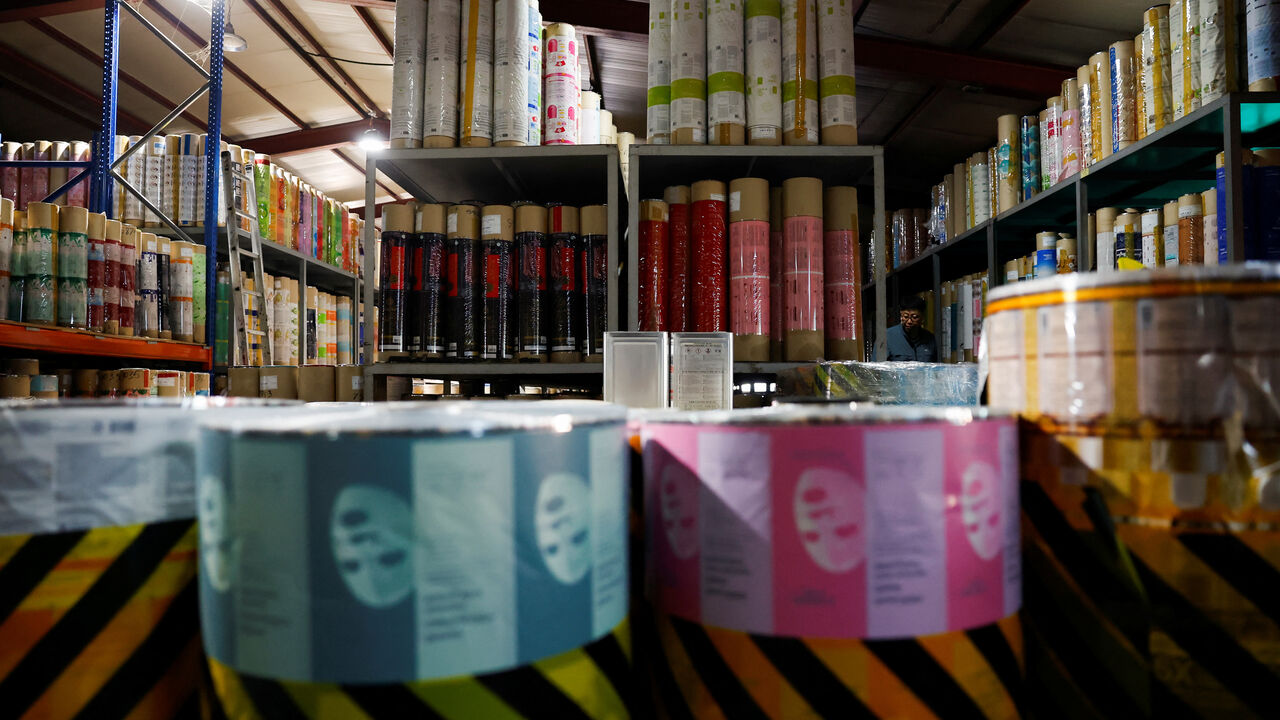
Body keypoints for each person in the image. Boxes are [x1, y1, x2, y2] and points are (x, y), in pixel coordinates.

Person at [886, 297, 938, 362]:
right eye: (906, 317)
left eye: (914, 317)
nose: (909, 321)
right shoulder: (887, 337)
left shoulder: (930, 338)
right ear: (901, 315)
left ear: (922, 317)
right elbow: (877, 369)